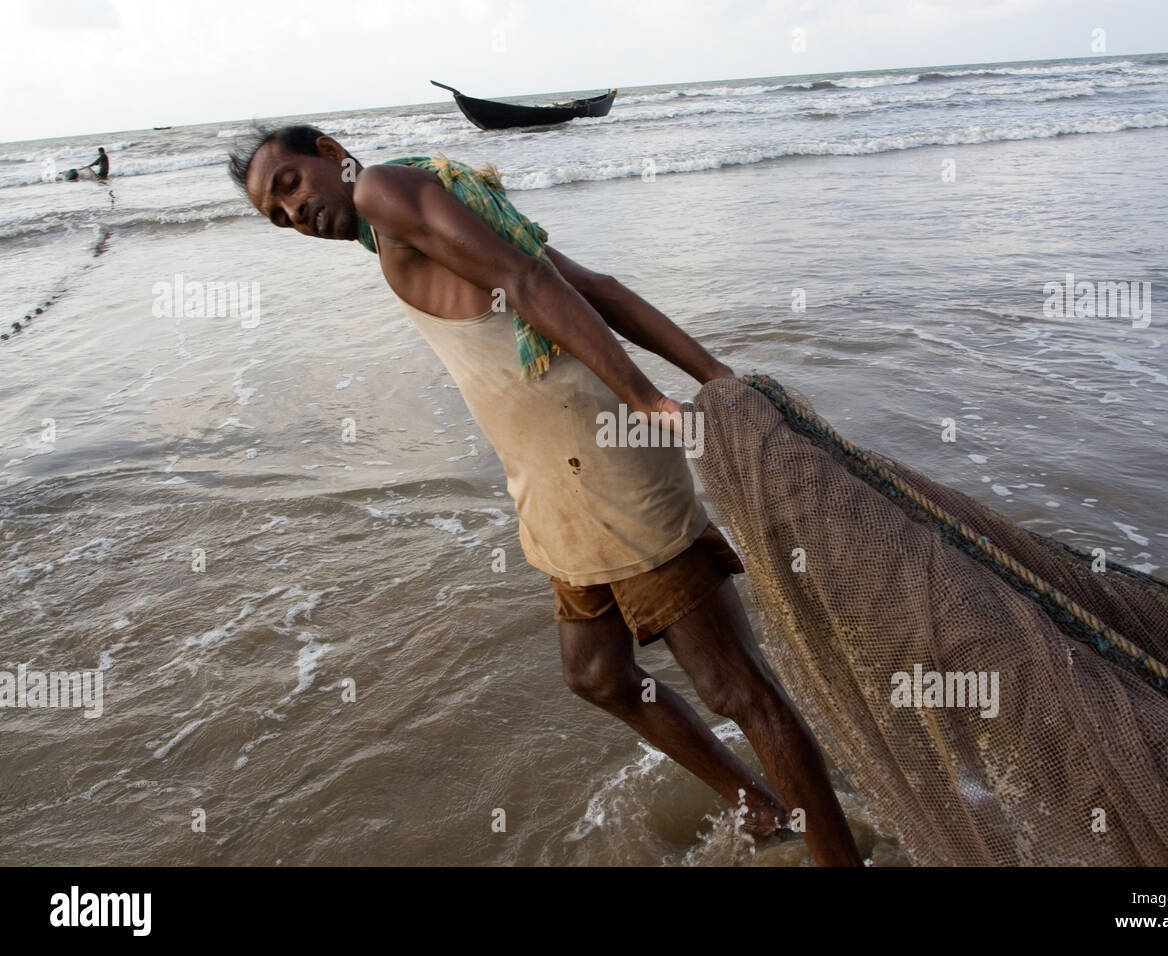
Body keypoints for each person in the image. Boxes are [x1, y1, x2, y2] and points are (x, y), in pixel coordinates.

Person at [228, 125, 863, 866]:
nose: (294, 213)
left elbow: (532, 288)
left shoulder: (382, 190)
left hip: (605, 471)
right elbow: (589, 288)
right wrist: (712, 371)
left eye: (290, 185)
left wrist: (650, 397)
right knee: (596, 673)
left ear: (330, 152)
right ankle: (757, 804)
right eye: (277, 216)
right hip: (555, 487)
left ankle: (837, 859)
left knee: (735, 686)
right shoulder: (398, 216)